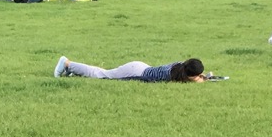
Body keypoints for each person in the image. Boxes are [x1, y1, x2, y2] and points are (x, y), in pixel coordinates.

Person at [54, 56, 207, 82]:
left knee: (101, 74)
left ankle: (71, 70)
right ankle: (67, 63)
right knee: (101, 74)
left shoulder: (179, 66)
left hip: (140, 66)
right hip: (135, 72)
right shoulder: (173, 76)